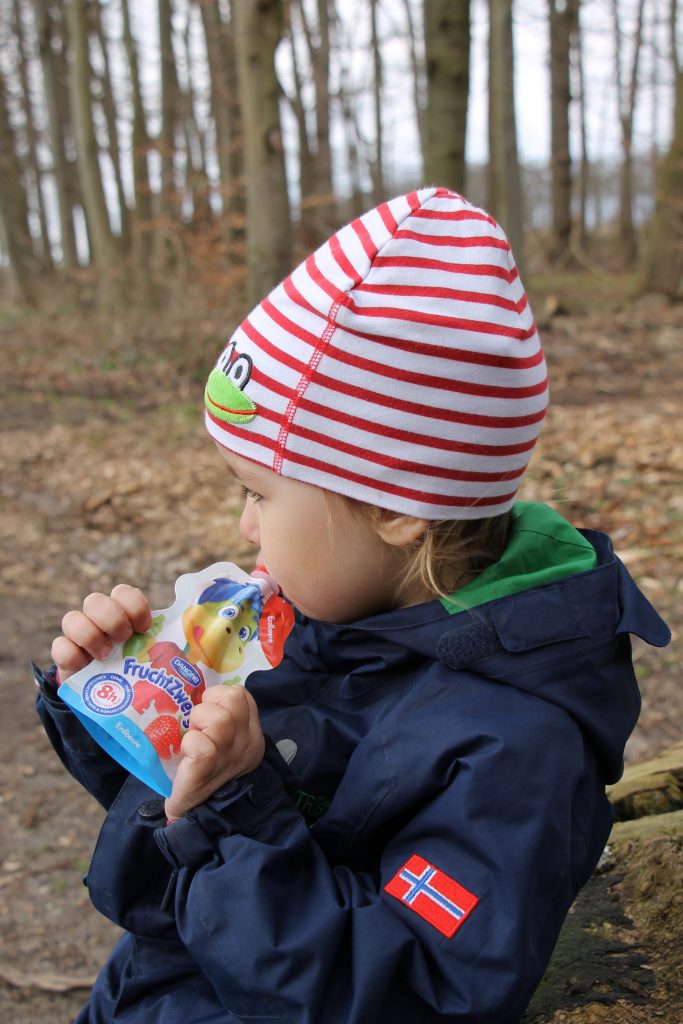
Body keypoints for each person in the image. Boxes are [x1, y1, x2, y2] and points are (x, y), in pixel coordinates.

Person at [36, 186, 670, 1023]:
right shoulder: (330, 613)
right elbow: (179, 851)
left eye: (260, 492)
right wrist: (124, 703)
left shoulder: (513, 748)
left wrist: (234, 811)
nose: (242, 523)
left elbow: (418, 991)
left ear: (396, 509)